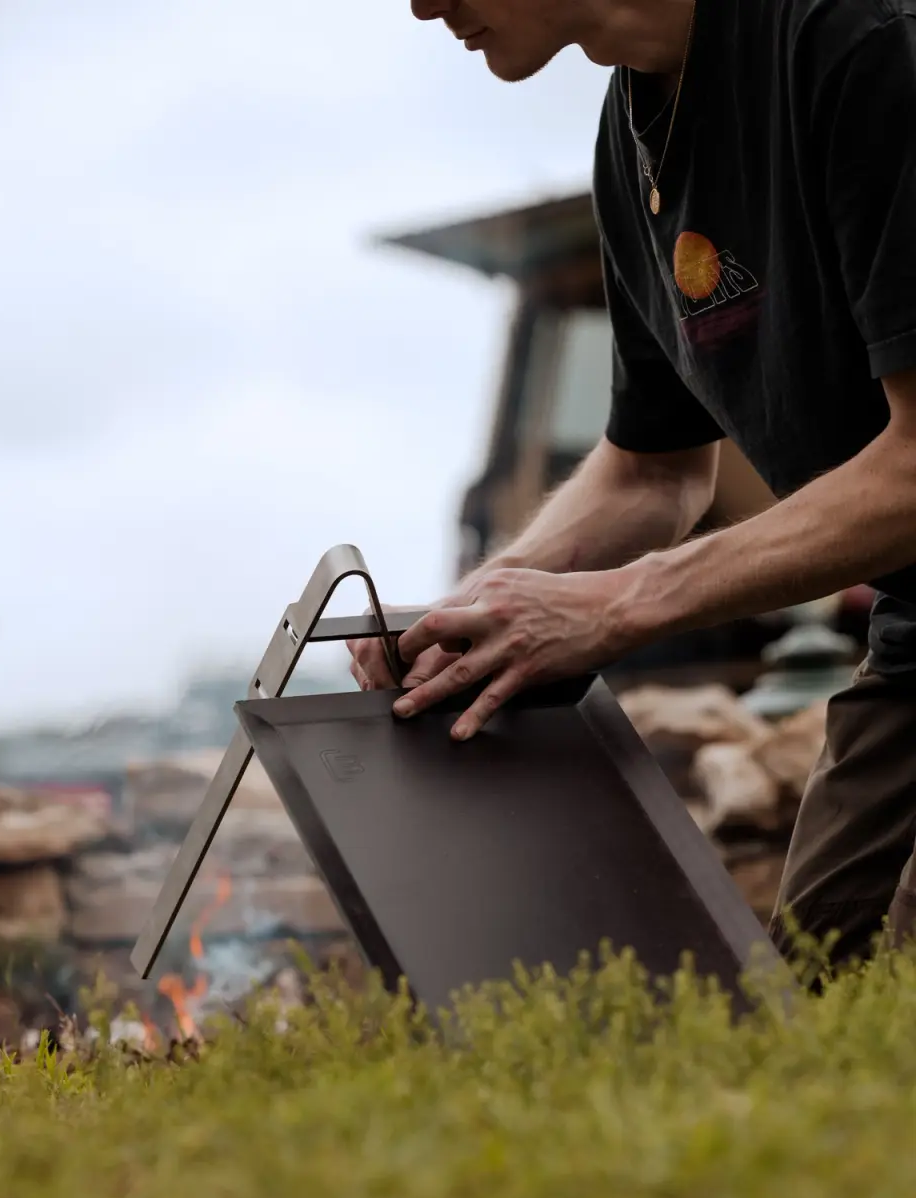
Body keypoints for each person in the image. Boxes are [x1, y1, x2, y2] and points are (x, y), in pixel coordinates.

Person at [349, 0, 916, 965]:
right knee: (816, 983)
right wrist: (491, 601)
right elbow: (655, 469)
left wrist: (614, 608)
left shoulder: (861, 38)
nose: (421, 4)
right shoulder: (631, 139)